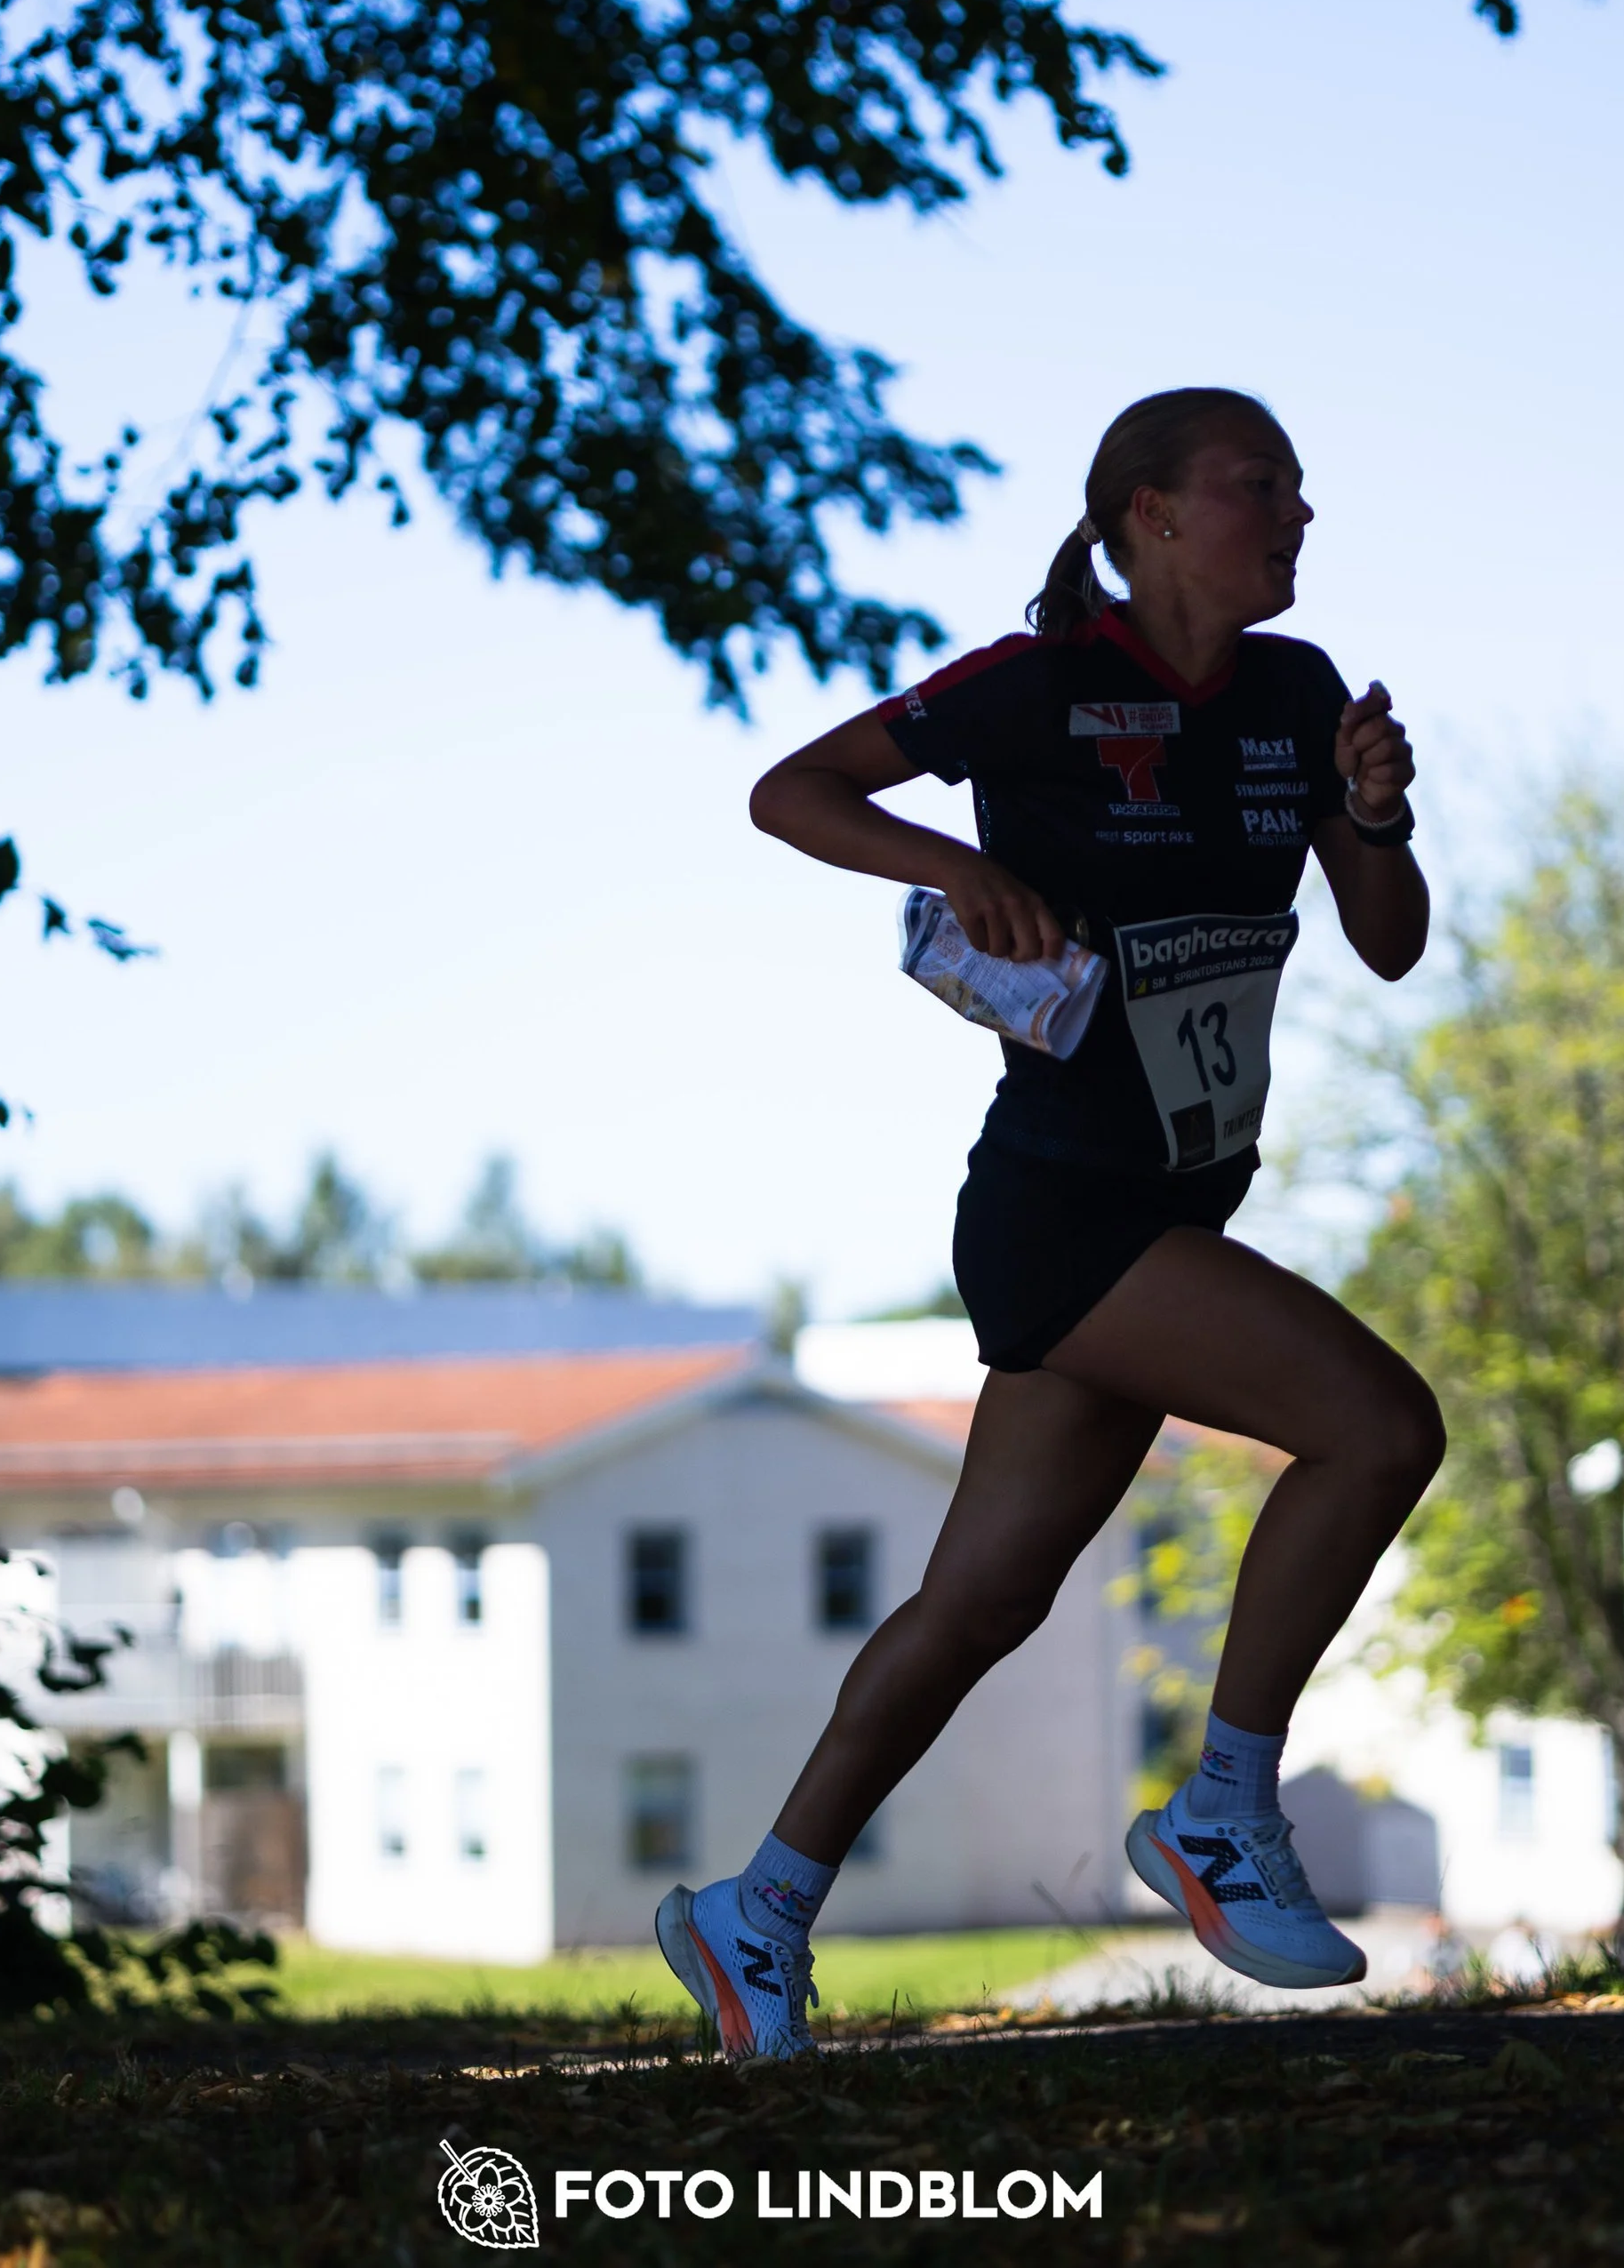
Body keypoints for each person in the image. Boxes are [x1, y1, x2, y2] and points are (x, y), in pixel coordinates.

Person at [653, 385, 1443, 2060]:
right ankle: (1225, 1810)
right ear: (1148, 512)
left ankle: (757, 1910)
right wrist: (958, 867)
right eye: (1259, 489)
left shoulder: (1297, 694)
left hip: (1171, 1197)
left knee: (979, 1603)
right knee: (1378, 1430)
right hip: (1063, 1213)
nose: (1296, 517)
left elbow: (1387, 942)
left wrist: (1372, 812)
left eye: (1301, 492)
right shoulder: (1033, 688)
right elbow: (789, 793)